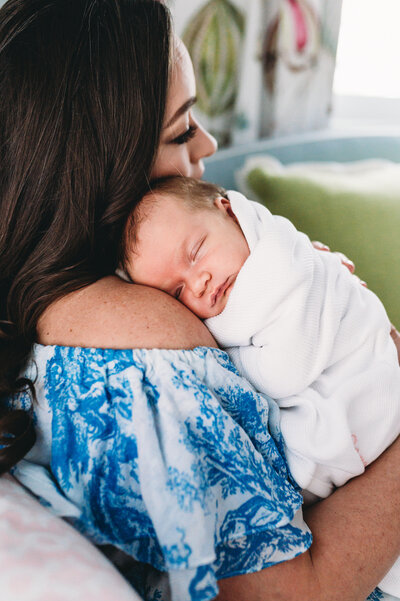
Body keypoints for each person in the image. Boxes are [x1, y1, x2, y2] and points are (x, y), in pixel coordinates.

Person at [0, 1, 400, 600]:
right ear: (101, 168)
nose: (208, 142)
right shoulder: (142, 347)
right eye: (182, 129)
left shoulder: (38, 302)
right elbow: (282, 594)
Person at [123, 175, 400, 595]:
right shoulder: (241, 266)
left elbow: (284, 371)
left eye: (197, 252)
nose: (198, 281)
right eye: (176, 291)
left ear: (229, 209)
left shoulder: (278, 261)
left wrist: (224, 351)